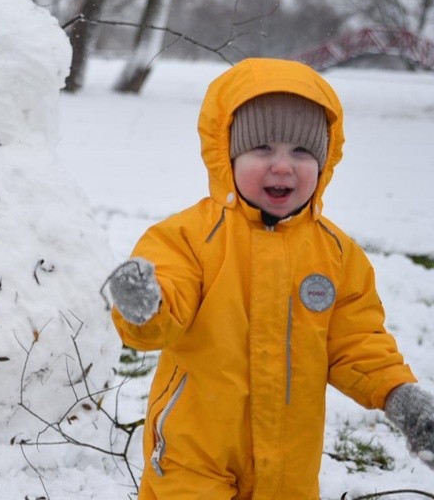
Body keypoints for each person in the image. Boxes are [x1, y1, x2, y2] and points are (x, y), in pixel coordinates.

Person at [108, 57, 434, 499]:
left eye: (301, 152)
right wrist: (146, 303)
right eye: (262, 149)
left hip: (288, 463)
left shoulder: (337, 255)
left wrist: (398, 394)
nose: (283, 167)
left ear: (324, 162)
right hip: (196, 453)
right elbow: (168, 305)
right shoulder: (189, 237)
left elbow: (356, 341)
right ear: (228, 155)